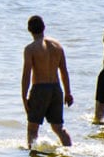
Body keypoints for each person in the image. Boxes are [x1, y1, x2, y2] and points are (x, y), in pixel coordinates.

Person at [21, 16, 73, 148]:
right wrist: (68, 93)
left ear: (29, 30)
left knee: (32, 129)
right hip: (56, 89)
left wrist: (24, 97)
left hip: (40, 89)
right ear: (44, 27)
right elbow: (64, 71)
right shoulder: (57, 45)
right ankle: (69, 151)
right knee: (58, 128)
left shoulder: (30, 49)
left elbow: (27, 74)